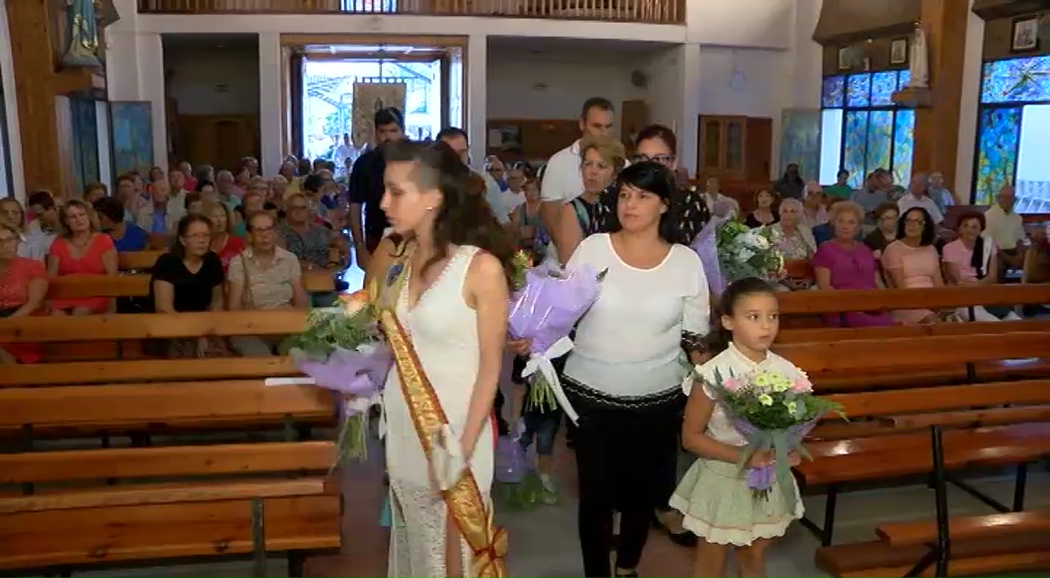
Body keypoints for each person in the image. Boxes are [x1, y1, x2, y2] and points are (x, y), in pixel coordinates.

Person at [518, 162, 710, 578]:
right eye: (624, 194)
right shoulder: (593, 250)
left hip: (657, 399)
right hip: (591, 394)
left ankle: (627, 567)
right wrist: (528, 333)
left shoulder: (686, 262)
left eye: (642, 196)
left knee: (641, 496)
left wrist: (716, 379)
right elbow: (560, 315)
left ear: (664, 205)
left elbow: (695, 337)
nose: (630, 204)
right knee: (596, 497)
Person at [365, 141, 512, 577]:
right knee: (416, 542)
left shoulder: (479, 269)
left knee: (456, 554)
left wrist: (463, 447)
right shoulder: (398, 260)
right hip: (406, 422)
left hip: (454, 428)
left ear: (434, 197)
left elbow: (491, 368)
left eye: (396, 192)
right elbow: (389, 334)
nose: (382, 202)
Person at [671, 277, 805, 578]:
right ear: (728, 321)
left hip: (767, 476)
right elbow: (691, 438)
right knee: (710, 562)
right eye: (753, 317)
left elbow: (791, 423)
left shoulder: (785, 371)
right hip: (722, 479)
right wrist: (745, 456)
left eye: (773, 316)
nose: (767, 326)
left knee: (754, 554)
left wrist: (788, 447)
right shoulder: (713, 374)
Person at [540, 97, 616, 257]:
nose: (603, 133)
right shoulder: (558, 163)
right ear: (582, 124)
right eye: (596, 126)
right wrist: (569, 255)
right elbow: (550, 218)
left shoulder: (624, 164)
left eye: (608, 127)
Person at [227, 211, 309, 356]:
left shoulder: (289, 259)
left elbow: (300, 302)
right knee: (259, 357)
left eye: (269, 229)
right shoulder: (238, 262)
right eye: (259, 230)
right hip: (252, 330)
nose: (264, 235)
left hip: (286, 328)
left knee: (298, 355)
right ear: (249, 235)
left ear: (275, 232)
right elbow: (234, 308)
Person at [150, 214, 227, 357]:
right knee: (184, 353)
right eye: (195, 235)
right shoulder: (167, 263)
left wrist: (206, 332)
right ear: (183, 240)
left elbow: (217, 303)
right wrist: (194, 333)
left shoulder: (213, 261)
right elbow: (164, 308)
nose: (202, 240)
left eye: (206, 235)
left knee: (217, 353)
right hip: (168, 328)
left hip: (204, 326)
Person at [811, 201, 893, 327]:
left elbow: (878, 284)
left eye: (851, 222)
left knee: (889, 323)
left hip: (872, 305)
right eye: (841, 221)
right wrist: (849, 303)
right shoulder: (825, 250)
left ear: (858, 227)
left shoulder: (865, 250)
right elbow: (825, 287)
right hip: (843, 308)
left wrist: (885, 303)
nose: (845, 226)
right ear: (834, 224)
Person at [632, 124, 711, 246]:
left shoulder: (692, 204)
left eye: (659, 159)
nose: (650, 166)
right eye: (643, 158)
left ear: (673, 162)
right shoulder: (624, 200)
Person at [349, 107, 405, 271]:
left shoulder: (415, 160)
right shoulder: (365, 164)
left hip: (411, 236)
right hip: (376, 235)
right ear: (376, 133)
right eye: (383, 132)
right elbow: (355, 206)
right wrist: (359, 247)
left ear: (402, 131)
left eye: (393, 131)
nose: (388, 136)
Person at [554, 136, 625, 265]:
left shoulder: (624, 207)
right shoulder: (572, 210)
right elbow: (569, 264)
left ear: (615, 173)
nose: (592, 172)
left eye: (601, 166)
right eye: (588, 164)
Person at [942, 211, 1020, 321]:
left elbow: (992, 277)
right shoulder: (949, 248)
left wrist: (977, 287)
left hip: (985, 292)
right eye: (965, 226)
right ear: (959, 229)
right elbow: (957, 280)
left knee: (1015, 320)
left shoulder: (987, 246)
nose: (970, 230)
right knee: (993, 323)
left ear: (980, 230)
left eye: (974, 227)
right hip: (962, 295)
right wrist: (974, 288)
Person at [47, 200, 118, 316]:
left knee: (80, 312)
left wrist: (111, 309)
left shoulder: (103, 240)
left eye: (81, 214)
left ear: (89, 216)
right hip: (66, 295)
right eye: (73, 217)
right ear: (66, 222)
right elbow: (51, 278)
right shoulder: (58, 243)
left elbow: (112, 277)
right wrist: (48, 304)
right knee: (56, 314)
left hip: (96, 294)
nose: (79, 219)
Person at [881, 207, 947, 324]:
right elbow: (900, 288)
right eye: (909, 221)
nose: (912, 225)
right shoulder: (894, 249)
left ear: (925, 226)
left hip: (932, 302)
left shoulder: (931, 249)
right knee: (933, 322)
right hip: (906, 303)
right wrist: (928, 305)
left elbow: (938, 283)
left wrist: (941, 304)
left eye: (918, 222)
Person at [437, 127, 509, 226]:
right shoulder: (427, 180)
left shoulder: (485, 181)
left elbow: (503, 221)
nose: (459, 158)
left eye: (463, 152)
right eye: (452, 153)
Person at [0, 221, 48, 364]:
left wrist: (5, 325)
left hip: (24, 323)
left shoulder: (33, 267)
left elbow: (34, 303)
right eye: (0, 241)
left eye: (10, 240)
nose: (5, 245)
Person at [207, 202, 246, 271]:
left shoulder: (240, 243)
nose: (219, 220)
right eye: (214, 216)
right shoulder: (202, 244)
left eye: (222, 215)